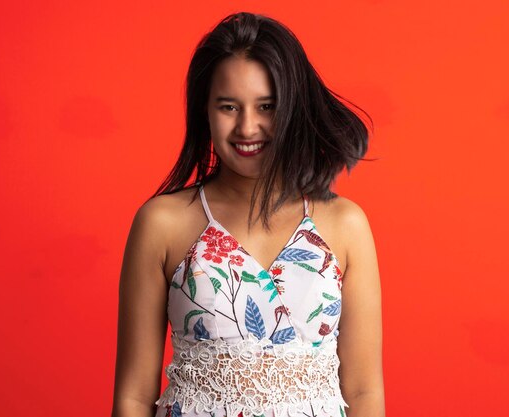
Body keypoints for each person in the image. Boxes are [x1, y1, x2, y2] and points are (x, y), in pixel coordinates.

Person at [111, 11, 384, 417]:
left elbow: (363, 392)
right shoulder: (162, 224)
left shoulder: (344, 225)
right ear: (204, 111)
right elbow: (133, 396)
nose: (248, 127)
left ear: (293, 107)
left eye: (267, 106)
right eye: (228, 107)